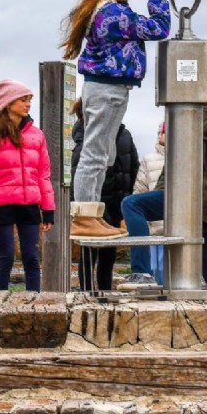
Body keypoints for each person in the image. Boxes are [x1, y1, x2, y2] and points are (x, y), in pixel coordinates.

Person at [60, 0, 170, 239]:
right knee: (95, 154)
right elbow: (159, 29)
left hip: (107, 88)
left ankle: (90, 215)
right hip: (108, 89)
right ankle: (84, 216)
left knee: (103, 154)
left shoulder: (106, 10)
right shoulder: (112, 14)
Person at [121, 61, 207, 288]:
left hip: (201, 195)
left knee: (133, 205)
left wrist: (173, 136)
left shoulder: (205, 111)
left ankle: (141, 273)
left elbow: (182, 152)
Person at [0, 79, 55, 291]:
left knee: (31, 257)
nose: (28, 104)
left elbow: (43, 174)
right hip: (1, 205)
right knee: (5, 256)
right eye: (23, 100)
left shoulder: (37, 135)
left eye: (29, 100)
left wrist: (48, 209)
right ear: (7, 103)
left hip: (29, 204)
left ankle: (34, 303)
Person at [70, 98, 139, 291]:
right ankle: (86, 293)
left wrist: (128, 201)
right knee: (89, 255)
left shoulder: (125, 135)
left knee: (109, 257)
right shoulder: (84, 141)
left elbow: (134, 168)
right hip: (94, 207)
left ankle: (105, 292)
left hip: (118, 204)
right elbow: (78, 177)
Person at [132, 121, 166, 282]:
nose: (162, 135)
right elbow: (140, 190)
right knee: (157, 270)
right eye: (160, 132)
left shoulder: (187, 158)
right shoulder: (149, 159)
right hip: (155, 228)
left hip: (177, 227)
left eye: (164, 132)